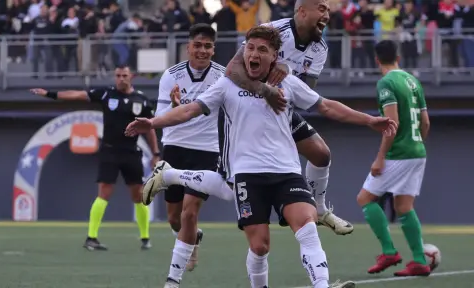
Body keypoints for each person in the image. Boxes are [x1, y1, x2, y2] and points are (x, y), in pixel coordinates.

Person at [127, 25, 397, 288]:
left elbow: (326, 106)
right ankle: (171, 176)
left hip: (287, 172)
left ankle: (323, 284)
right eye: (250, 48)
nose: (254, 54)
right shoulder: (227, 85)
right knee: (259, 246)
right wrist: (153, 123)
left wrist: (369, 120)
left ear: (274, 57)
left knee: (307, 224)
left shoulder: (289, 83)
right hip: (247, 175)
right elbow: (189, 110)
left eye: (262, 50)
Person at [224, 0, 353, 235]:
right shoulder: (273, 31)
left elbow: (306, 92)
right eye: (322, 8)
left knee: (321, 154)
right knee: (226, 184)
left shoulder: (320, 48)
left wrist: (287, 71)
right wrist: (265, 90)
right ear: (302, 11)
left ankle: (320, 209)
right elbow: (232, 70)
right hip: (246, 110)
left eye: (328, 9)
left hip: (279, 111)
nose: (327, 14)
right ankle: (171, 175)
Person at [30, 65, 160, 251]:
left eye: (124, 75)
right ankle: (91, 238)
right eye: (118, 75)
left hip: (131, 152)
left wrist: (155, 153)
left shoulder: (142, 100)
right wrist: (49, 94)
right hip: (110, 152)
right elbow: (77, 95)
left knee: (138, 195)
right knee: (104, 193)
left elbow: (150, 129)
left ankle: (145, 238)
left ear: (132, 76)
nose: (121, 78)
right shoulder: (107, 94)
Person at [154, 23, 225, 286]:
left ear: (213, 50)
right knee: (174, 218)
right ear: (188, 47)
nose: (202, 50)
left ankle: (173, 279)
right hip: (174, 147)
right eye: (198, 45)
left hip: (207, 151)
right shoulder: (170, 76)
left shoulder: (223, 76)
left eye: (208, 46)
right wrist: (174, 106)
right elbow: (160, 118)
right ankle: (192, 237)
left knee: (189, 213)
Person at [355, 40, 431, 277]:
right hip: (418, 151)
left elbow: (392, 124)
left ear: (377, 60)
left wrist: (380, 158)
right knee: (403, 206)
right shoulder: (413, 81)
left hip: (398, 153)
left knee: (365, 199)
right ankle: (419, 260)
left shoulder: (386, 82)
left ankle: (389, 252)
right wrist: (416, 143)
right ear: (398, 57)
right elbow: (426, 122)